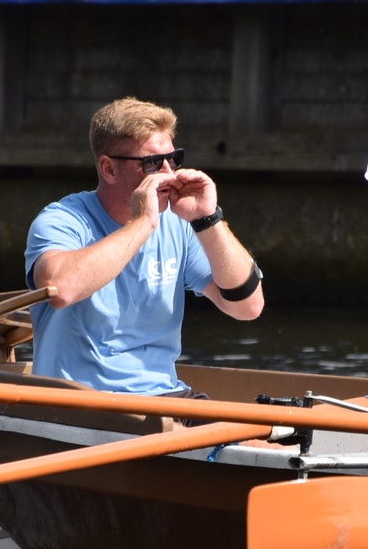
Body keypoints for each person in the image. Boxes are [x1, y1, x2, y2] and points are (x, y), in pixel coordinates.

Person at [24, 97, 264, 394]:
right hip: (82, 404)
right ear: (109, 169)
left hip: (162, 397)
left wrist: (207, 219)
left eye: (174, 159)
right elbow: (60, 290)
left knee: (268, 440)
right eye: (151, 163)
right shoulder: (62, 220)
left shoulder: (179, 225)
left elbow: (248, 307)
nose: (168, 173)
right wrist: (143, 222)